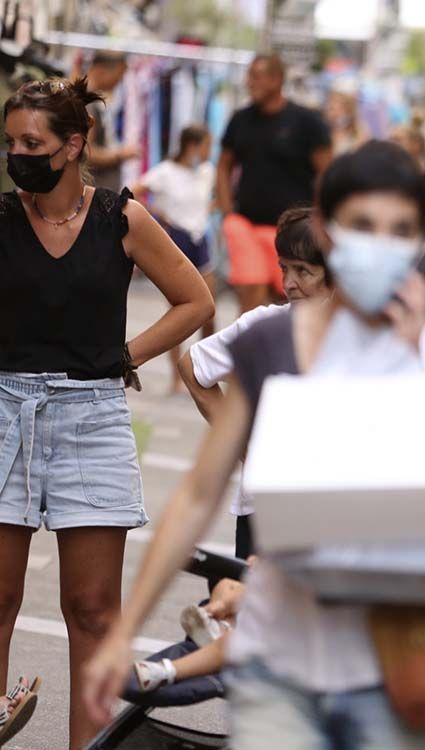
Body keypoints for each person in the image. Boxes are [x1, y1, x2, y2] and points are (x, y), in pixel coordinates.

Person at [85, 141, 425, 750]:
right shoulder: (273, 340)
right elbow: (198, 493)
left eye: (400, 229)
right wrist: (126, 627)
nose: (380, 245)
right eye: (364, 225)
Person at [0, 76, 214, 748]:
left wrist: (128, 355)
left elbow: (196, 300)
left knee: (92, 610)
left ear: (73, 145)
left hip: (90, 419)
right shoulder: (3, 218)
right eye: (10, 142)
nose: (18, 154)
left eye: (31, 142)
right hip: (4, 410)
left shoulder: (122, 217)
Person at [177, 207, 330, 558]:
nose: (289, 283)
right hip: (263, 508)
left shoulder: (358, 337)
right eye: (284, 269)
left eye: (303, 271)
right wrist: (243, 446)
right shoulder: (264, 326)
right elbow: (193, 366)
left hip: (328, 512)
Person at [217, 54, 333, 313]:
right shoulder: (241, 120)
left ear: (276, 79)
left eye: (256, 77)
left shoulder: (307, 122)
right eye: (249, 76)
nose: (249, 83)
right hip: (246, 224)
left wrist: (318, 220)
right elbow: (224, 166)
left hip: (292, 230)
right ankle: (249, 350)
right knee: (252, 300)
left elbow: (327, 174)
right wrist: (227, 214)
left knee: (288, 300)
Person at [133, 124, 218, 394]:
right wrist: (158, 216)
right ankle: (175, 377)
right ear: (192, 146)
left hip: (200, 238)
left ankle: (208, 368)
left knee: (209, 311)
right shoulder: (165, 172)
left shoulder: (207, 172)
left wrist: (207, 212)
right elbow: (134, 191)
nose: (209, 151)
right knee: (178, 311)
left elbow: (211, 200)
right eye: (206, 145)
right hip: (177, 238)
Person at [85, 51, 139, 192]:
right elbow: (86, 152)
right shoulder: (88, 104)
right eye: (118, 76)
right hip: (95, 192)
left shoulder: (92, 100)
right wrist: (120, 154)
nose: (119, 82)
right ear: (101, 69)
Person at [325, 89, 367, 156]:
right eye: (330, 109)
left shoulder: (359, 133)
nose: (332, 114)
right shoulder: (324, 132)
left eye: (336, 111)